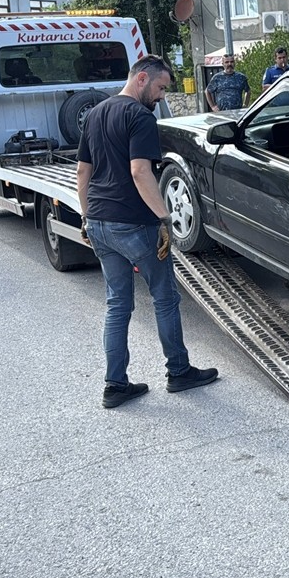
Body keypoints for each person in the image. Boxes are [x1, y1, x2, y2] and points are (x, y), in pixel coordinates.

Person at [75, 55, 220, 408]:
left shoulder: (94, 113)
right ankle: (179, 371)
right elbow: (141, 172)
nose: (161, 97)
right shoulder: (140, 116)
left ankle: (115, 385)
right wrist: (165, 219)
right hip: (134, 224)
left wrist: (86, 216)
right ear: (142, 79)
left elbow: (83, 171)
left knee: (117, 304)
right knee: (165, 298)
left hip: (100, 224)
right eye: (160, 87)